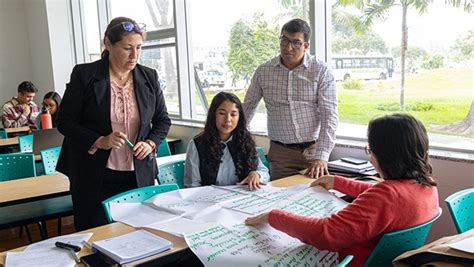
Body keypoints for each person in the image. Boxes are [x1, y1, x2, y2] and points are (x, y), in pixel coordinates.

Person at [245, 113, 439, 266]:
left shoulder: (386, 196)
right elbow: (384, 193)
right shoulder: (426, 184)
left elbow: (325, 234)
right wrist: (338, 182)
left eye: (370, 150)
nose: (370, 158)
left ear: (388, 155)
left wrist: (273, 216)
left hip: (353, 262)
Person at [56, 17, 171, 231]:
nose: (134, 55)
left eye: (139, 47)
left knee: (136, 233)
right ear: (108, 44)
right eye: (127, 48)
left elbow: (163, 120)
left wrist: (151, 143)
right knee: (95, 234)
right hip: (94, 173)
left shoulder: (149, 77)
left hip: (137, 173)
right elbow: (64, 121)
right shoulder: (85, 75)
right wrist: (99, 140)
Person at [243, 18, 338, 180]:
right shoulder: (264, 71)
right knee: (280, 199)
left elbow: (329, 115)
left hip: (313, 153)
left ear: (306, 46)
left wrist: (321, 157)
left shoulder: (320, 71)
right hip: (281, 155)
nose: (288, 48)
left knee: (315, 201)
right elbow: (248, 108)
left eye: (296, 43)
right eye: (284, 40)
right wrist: (229, 136)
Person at [185, 92, 269, 190]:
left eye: (233, 114)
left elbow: (264, 172)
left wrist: (257, 174)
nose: (228, 119)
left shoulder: (245, 141)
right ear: (213, 115)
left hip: (240, 199)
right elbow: (192, 185)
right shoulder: (197, 144)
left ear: (239, 117)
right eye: (222, 113)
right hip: (210, 199)